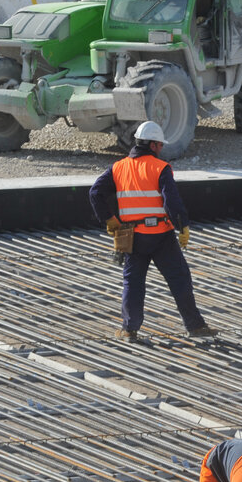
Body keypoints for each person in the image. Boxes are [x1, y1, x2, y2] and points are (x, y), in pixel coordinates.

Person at [89, 120, 215, 341]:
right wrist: (182, 226)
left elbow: (95, 193)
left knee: (133, 283)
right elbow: (171, 201)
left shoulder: (118, 168)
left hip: (133, 237)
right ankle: (195, 327)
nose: (161, 149)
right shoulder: (160, 168)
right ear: (154, 145)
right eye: (160, 145)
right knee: (179, 279)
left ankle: (129, 330)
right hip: (161, 236)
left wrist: (110, 220)